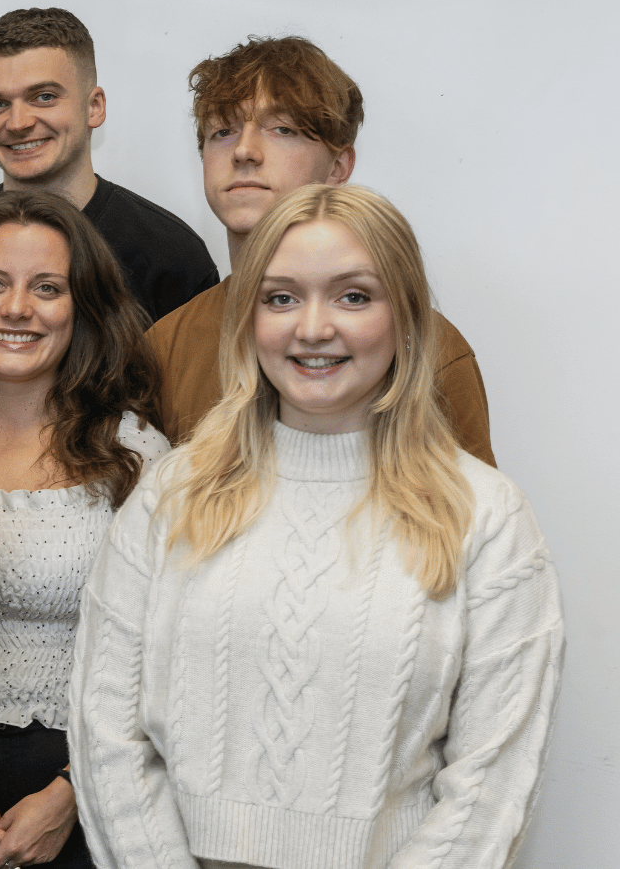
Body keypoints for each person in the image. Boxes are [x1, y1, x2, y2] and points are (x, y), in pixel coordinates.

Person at [69, 185, 562, 869]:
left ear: (407, 317)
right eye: (281, 297)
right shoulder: (170, 495)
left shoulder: (487, 516)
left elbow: (493, 782)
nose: (312, 328)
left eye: (354, 296)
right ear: (248, 319)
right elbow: (107, 734)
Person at [0, 190, 167, 869]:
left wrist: (74, 794)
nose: (16, 308)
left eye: (46, 288)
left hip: (90, 786)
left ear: (81, 306)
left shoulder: (137, 456)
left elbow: (168, 654)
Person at [146, 35, 492, 463]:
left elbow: (466, 518)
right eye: (222, 131)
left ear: (338, 167)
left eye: (283, 129)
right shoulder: (165, 344)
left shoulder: (422, 345)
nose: (244, 151)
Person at [0, 7, 216, 373]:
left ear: (94, 107)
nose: (17, 123)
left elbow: (191, 416)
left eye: (43, 97)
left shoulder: (171, 257)